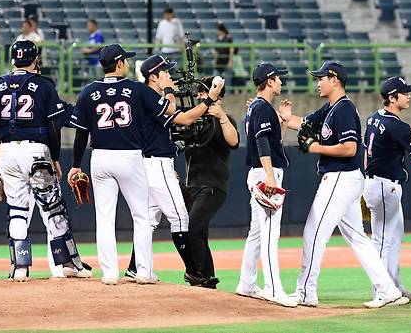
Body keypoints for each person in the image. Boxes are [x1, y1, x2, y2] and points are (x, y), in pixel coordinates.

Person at [278, 61, 409, 309]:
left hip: (340, 177)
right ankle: (387, 290)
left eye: (321, 78)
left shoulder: (344, 109)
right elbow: (303, 123)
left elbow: (350, 149)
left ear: (334, 79)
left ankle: (306, 292)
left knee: (314, 233)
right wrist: (282, 117)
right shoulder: (329, 108)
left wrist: (314, 147)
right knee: (358, 238)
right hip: (343, 178)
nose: (318, 82)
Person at [67, 44, 179, 285]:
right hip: (129, 157)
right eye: (125, 60)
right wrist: (169, 89)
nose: (127, 63)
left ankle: (109, 274)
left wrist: (76, 164)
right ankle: (144, 272)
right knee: (141, 216)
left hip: (100, 158)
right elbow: (170, 109)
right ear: (119, 64)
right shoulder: (136, 89)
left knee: (104, 217)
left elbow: (80, 134)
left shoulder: (88, 92)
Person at [0, 40, 91, 281]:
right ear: (34, 60)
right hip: (36, 152)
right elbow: (53, 125)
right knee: (52, 207)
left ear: (12, 60)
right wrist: (56, 156)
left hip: (7, 153)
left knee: (17, 209)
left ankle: (19, 269)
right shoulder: (43, 85)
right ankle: (66, 265)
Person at [122, 55, 224, 285]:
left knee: (148, 220)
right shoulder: (150, 96)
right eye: (164, 72)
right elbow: (186, 118)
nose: (169, 75)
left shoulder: (149, 101)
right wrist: (210, 100)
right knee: (180, 218)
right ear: (153, 77)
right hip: (156, 164)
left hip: (151, 163)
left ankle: (132, 268)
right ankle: (194, 270)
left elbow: (178, 117)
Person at [363, 76, 411, 303]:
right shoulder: (395, 125)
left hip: (377, 183)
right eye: (404, 92)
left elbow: (365, 154)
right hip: (383, 185)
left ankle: (394, 286)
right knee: (381, 241)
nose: (408, 95)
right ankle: (381, 292)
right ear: (392, 98)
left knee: (395, 236)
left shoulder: (373, 118)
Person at [236, 62, 295, 307]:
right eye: (278, 78)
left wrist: (281, 121)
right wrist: (270, 177)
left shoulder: (259, 108)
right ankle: (273, 288)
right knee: (271, 235)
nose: (281, 81)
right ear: (269, 81)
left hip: (259, 172)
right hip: (265, 174)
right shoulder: (261, 108)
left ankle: (247, 284)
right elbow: (261, 144)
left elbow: (272, 141)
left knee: (257, 233)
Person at [184, 77, 239, 289]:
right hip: (192, 186)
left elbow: (233, 141)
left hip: (213, 185)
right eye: (198, 93)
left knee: (193, 227)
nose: (199, 97)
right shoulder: (193, 120)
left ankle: (198, 274)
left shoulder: (225, 119)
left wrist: (221, 116)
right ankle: (207, 281)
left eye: (203, 93)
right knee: (200, 232)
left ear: (219, 97)